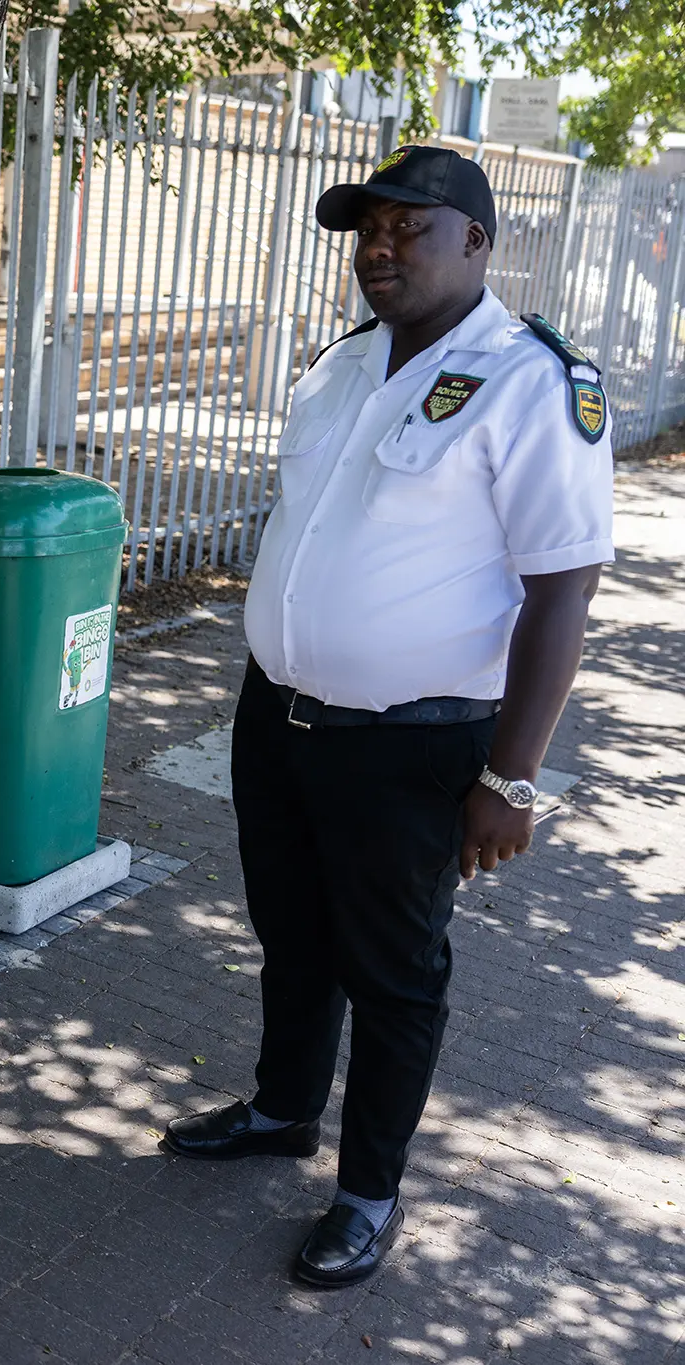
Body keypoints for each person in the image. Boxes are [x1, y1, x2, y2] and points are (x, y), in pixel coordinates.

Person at [159, 146, 614, 1287]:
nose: (383, 246)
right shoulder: (338, 366)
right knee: (291, 939)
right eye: (368, 226)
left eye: (414, 226)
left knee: (395, 975)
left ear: (476, 242)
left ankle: (365, 1194)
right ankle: (278, 1111)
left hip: (413, 746)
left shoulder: (530, 383)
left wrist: (510, 781)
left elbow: (561, 589)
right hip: (278, 718)